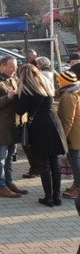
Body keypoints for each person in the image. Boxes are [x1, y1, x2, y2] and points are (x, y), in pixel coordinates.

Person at [15, 64, 68, 207]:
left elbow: (20, 110)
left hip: (39, 126)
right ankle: (57, 197)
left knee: (43, 163)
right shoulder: (46, 85)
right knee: (55, 162)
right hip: (53, 123)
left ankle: (48, 197)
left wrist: (14, 97)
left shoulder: (26, 89)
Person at [0, 56, 27, 198]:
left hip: (13, 124)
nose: (14, 70)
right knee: (0, 156)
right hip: (2, 124)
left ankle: (9, 182)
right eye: (11, 67)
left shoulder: (11, 78)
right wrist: (7, 97)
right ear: (2, 67)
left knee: (10, 156)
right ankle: (0, 186)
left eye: (15, 67)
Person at [56, 70, 80, 200]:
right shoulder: (76, 92)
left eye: (59, 81)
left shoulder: (68, 96)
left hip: (73, 135)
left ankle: (78, 188)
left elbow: (67, 120)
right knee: (76, 160)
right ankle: (76, 184)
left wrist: (62, 138)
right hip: (78, 132)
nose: (58, 84)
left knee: (75, 161)